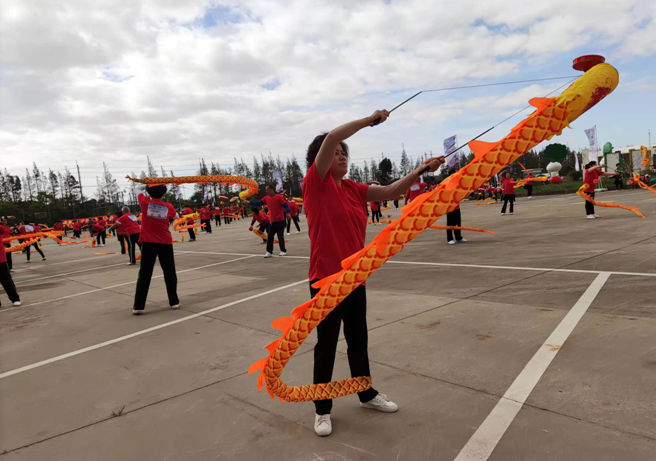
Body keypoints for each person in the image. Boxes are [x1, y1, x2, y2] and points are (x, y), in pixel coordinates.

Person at [302, 109, 445, 437]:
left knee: (358, 340)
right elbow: (333, 136)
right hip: (325, 279)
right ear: (319, 160)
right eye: (334, 153)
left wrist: (422, 169)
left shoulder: (353, 189)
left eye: (344, 153)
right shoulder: (315, 185)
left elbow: (392, 191)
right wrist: (370, 120)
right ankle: (322, 409)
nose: (341, 155)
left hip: (356, 277)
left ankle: (365, 393)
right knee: (326, 344)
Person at [132, 185, 179, 315]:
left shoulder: (145, 203)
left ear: (149, 192)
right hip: (165, 242)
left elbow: (137, 189)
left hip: (148, 242)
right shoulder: (168, 206)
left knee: (144, 274)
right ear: (163, 193)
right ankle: (174, 301)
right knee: (169, 272)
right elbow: (176, 216)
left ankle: (138, 306)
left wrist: (146, 185)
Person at [244, 185, 291, 257]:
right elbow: (258, 203)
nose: (266, 191)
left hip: (280, 220)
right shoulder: (266, 198)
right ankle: (269, 252)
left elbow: (286, 205)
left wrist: (288, 213)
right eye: (266, 190)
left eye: (268, 190)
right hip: (272, 221)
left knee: (280, 236)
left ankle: (283, 251)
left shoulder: (279, 197)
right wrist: (249, 202)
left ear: (272, 189)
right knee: (270, 236)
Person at [0, 216, 21, 307]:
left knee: (6, 280)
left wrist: (5, 217)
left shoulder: (1, 228)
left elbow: (2, 230)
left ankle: (15, 298)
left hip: (0, 259)